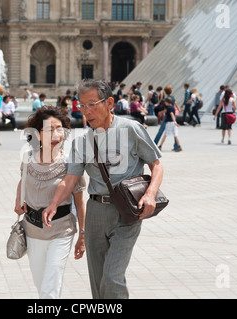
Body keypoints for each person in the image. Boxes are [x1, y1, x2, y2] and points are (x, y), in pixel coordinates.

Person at [42, 79, 164, 299]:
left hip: (127, 211)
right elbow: (70, 180)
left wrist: (151, 194)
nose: (86, 111)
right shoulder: (81, 143)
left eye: (92, 104)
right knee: (98, 281)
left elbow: (156, 165)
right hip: (95, 212)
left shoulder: (131, 129)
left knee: (112, 277)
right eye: (81, 105)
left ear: (109, 103)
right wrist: (52, 204)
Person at [14, 106, 86, 299]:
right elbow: (23, 179)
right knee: (41, 284)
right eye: (49, 129)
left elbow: (79, 203)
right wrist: (18, 200)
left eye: (59, 129)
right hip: (33, 231)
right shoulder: (28, 159)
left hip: (61, 232)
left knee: (50, 286)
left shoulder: (71, 164)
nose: (56, 135)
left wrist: (83, 235)